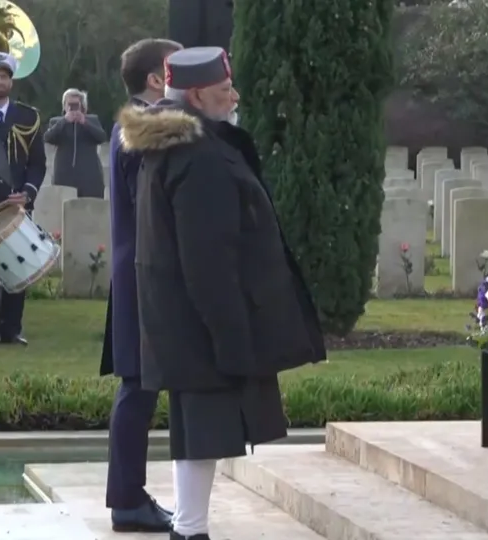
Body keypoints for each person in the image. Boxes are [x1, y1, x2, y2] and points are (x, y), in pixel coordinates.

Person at [117, 46, 326, 540]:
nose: (234, 95)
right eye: (225, 88)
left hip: (179, 317)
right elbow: (207, 255)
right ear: (196, 94)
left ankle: (190, 528)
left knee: (197, 431)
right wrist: (230, 332)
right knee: (202, 427)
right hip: (200, 317)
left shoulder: (169, 146)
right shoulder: (198, 154)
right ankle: (190, 530)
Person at [99, 38, 183, 533]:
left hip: (137, 271)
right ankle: (127, 500)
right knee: (138, 388)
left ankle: (129, 496)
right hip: (143, 274)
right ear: (157, 79)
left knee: (140, 387)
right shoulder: (142, 128)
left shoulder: (133, 122)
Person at [0, 52, 45, 346]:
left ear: (11, 81)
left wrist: (27, 193)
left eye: (3, 76)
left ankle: (12, 329)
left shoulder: (29, 117)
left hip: (17, 205)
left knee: (19, 264)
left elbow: (38, 163)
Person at [43, 88, 109, 198]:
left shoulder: (92, 120)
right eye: (69, 104)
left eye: (75, 105)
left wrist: (85, 122)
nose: (71, 108)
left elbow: (102, 137)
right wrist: (64, 121)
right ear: (64, 106)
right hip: (64, 175)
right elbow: (48, 137)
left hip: (89, 176)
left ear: (82, 106)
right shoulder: (56, 122)